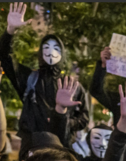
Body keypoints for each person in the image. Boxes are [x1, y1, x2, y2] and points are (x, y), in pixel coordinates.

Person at [0, 3, 89, 151]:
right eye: (46, 47)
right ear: (40, 52)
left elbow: (84, 117)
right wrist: (10, 31)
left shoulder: (71, 84)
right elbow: (5, 58)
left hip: (61, 147)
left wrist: (66, 121)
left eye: (56, 48)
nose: (50, 51)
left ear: (62, 54)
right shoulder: (29, 78)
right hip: (32, 145)